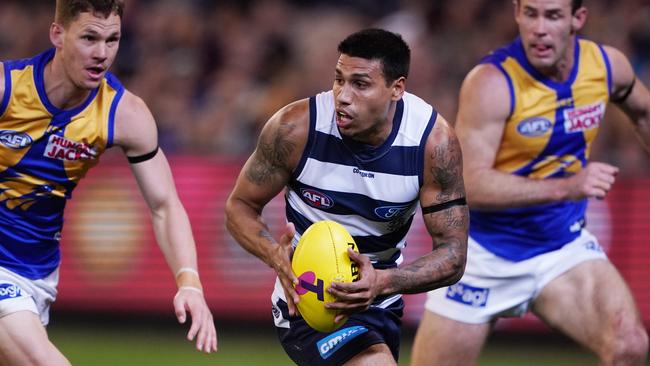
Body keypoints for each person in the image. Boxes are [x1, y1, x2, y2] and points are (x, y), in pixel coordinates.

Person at [412, 0, 650, 365]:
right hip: (482, 257)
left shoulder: (605, 67)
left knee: (629, 346)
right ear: (517, 14)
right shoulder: (491, 82)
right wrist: (566, 188)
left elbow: (643, 112)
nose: (540, 28)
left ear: (577, 19)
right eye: (531, 14)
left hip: (561, 249)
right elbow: (467, 186)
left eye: (553, 16)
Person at [225, 28, 468, 365]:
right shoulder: (295, 129)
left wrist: (382, 281)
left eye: (360, 84)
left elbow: (454, 255)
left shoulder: (432, 145)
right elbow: (240, 205)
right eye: (339, 79)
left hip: (380, 300)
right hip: (307, 301)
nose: (342, 95)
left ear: (397, 88)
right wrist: (273, 254)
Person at [0, 1, 217, 364]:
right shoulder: (7, 87)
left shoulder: (125, 114)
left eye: (112, 40)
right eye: (89, 38)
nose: (102, 54)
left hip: (36, 275)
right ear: (58, 35)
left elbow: (164, 205)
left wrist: (189, 283)